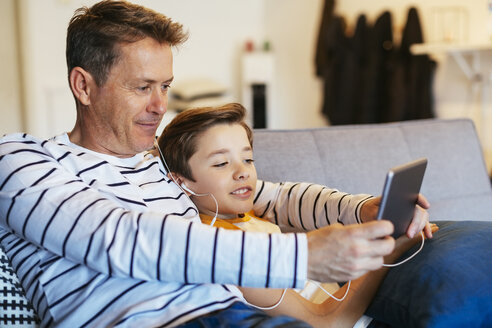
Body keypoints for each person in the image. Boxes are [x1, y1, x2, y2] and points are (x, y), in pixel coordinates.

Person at [0, 1, 432, 327]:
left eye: (165, 86)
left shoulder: (163, 165)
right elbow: (122, 240)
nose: (159, 106)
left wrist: (362, 211)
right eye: (142, 87)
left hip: (237, 316)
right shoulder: (24, 161)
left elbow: (276, 197)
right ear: (83, 86)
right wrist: (303, 255)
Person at [156, 103, 438, 327]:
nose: (243, 171)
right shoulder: (223, 250)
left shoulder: (245, 213)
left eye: (248, 158)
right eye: (220, 163)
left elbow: (285, 197)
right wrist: (389, 251)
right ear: (182, 181)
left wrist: (367, 211)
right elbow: (326, 323)